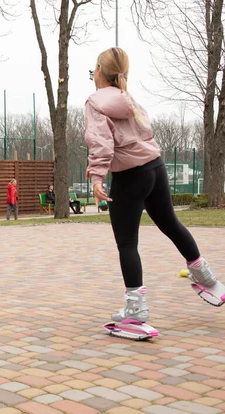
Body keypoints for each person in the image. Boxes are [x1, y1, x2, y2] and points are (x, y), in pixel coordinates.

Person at [85, 47, 225, 337]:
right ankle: (209, 282)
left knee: (127, 243)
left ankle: (136, 313)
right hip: (155, 168)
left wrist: (97, 178)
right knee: (172, 224)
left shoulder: (95, 102)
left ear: (99, 70)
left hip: (130, 176)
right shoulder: (128, 98)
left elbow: (101, 144)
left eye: (94, 67)